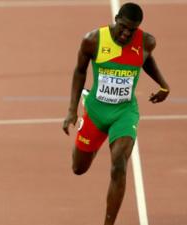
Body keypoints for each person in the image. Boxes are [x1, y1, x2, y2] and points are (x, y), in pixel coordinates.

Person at [62, 2, 169, 225]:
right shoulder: (93, 40)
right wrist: (72, 110)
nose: (126, 33)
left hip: (124, 112)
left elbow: (146, 60)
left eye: (132, 29)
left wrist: (163, 84)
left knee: (119, 164)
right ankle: (89, 131)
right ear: (117, 19)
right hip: (96, 111)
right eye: (123, 27)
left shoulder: (146, 41)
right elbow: (80, 71)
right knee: (78, 168)